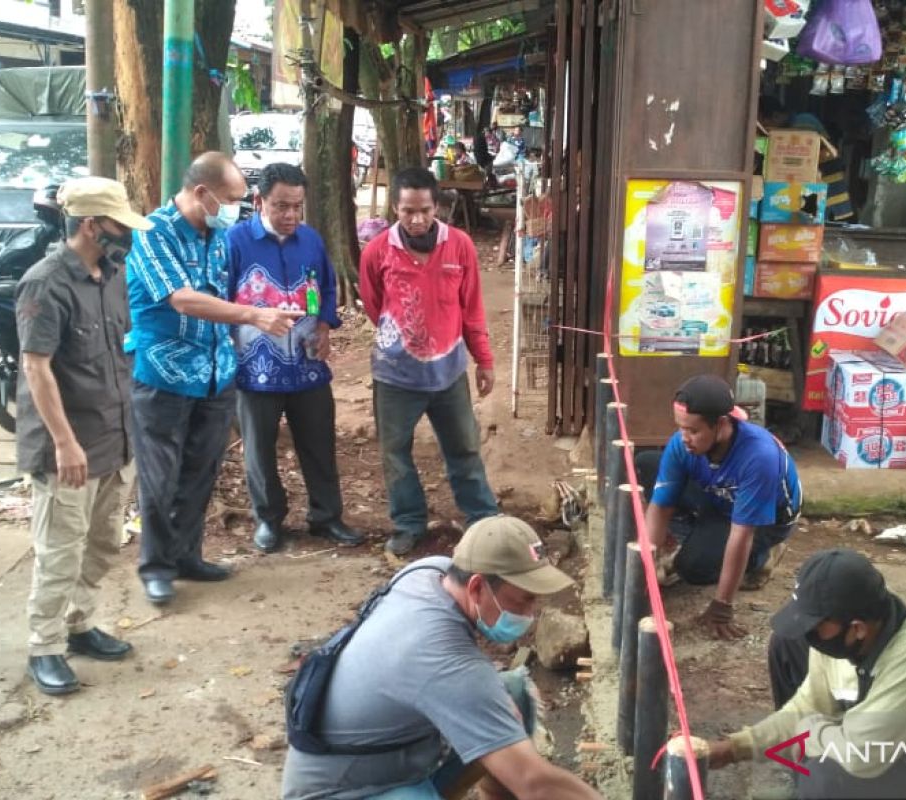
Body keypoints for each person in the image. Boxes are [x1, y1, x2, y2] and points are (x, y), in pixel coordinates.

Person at [280, 515, 602, 800]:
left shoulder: (430, 570)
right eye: (523, 599)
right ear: (477, 587)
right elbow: (535, 784)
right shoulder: (444, 661)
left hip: (394, 753)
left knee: (512, 694)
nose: (530, 614)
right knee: (501, 723)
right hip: (343, 790)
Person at [127, 152, 302, 605]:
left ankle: (187, 555)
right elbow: (183, 299)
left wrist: (274, 310)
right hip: (164, 373)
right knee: (160, 478)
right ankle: (157, 567)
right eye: (230, 199)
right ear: (202, 193)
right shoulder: (153, 233)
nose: (235, 209)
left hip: (215, 374)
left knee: (201, 471)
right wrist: (253, 315)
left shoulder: (221, 237)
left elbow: (232, 293)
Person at [704, 549, 906, 800]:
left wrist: (809, 732)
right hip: (880, 746)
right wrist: (732, 749)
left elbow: (861, 756)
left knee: (827, 777)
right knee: (788, 644)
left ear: (857, 628)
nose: (811, 634)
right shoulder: (849, 636)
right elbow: (806, 706)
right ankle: (807, 775)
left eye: (816, 625)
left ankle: (813, 780)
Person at [15, 177, 153, 695]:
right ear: (93, 225)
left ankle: (78, 624)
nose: (126, 235)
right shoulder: (45, 283)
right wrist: (64, 443)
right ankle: (44, 646)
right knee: (59, 551)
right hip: (66, 447)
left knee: (102, 543)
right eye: (119, 225)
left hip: (113, 437)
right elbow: (36, 369)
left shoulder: (113, 274)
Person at [359, 167, 499, 556]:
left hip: (449, 373)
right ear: (394, 208)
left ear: (437, 207)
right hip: (395, 376)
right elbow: (375, 304)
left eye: (424, 210)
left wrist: (483, 360)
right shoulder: (376, 251)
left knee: (464, 448)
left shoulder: (460, 247)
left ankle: (482, 518)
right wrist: (404, 339)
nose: (416, 219)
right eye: (407, 211)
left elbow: (471, 307)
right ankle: (408, 523)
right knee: (395, 452)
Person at [226, 163, 364, 553]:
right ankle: (268, 519)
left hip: (307, 366)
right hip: (255, 370)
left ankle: (327, 516)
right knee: (259, 449)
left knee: (319, 443)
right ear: (259, 201)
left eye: (297, 207)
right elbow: (219, 301)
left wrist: (323, 326)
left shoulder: (311, 241)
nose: (290, 216)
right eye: (281, 206)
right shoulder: (235, 243)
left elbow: (322, 286)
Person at [637, 374, 802, 640]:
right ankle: (704, 537)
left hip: (765, 521)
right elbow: (660, 506)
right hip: (721, 496)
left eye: (693, 430)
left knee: (692, 568)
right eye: (681, 428)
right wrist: (644, 567)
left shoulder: (759, 457)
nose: (684, 438)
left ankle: (760, 558)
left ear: (722, 424)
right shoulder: (684, 444)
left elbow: (742, 533)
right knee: (646, 463)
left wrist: (722, 606)